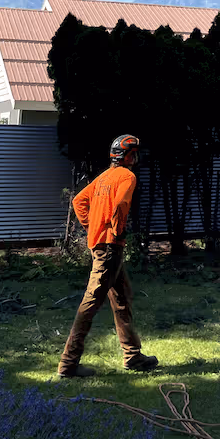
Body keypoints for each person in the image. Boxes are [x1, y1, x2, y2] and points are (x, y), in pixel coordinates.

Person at [57, 134, 158, 378]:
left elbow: (80, 200)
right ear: (127, 155)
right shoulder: (127, 176)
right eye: (134, 153)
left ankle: (132, 356)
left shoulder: (104, 177)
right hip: (110, 247)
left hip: (102, 245)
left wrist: (92, 226)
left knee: (122, 298)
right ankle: (68, 365)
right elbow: (121, 205)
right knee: (89, 304)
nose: (136, 157)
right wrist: (116, 229)